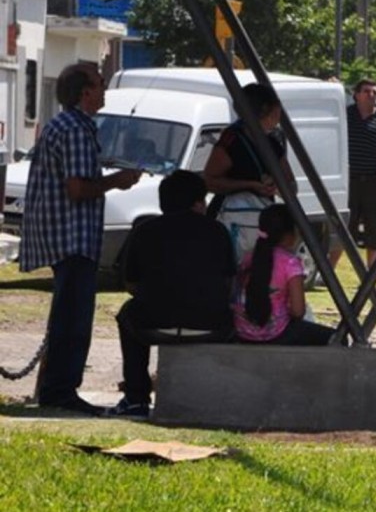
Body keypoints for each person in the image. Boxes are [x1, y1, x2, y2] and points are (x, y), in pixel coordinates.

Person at [19, 63, 142, 415]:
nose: (104, 89)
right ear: (85, 92)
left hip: (65, 233)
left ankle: (56, 387)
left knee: (68, 315)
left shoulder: (68, 125)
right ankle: (61, 390)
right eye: (100, 84)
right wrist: (116, 181)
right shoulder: (74, 129)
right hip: (71, 234)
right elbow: (77, 188)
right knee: (73, 319)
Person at [109, 170, 236, 418]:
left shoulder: (144, 230)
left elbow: (131, 285)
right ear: (199, 203)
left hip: (153, 324)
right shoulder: (217, 231)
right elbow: (229, 283)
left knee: (127, 313)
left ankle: (136, 398)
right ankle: (221, 393)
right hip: (212, 326)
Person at [203, 83, 294, 264]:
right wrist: (249, 185)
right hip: (230, 222)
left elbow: (291, 185)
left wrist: (276, 186)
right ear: (265, 110)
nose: (279, 115)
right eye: (276, 110)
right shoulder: (232, 139)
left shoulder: (274, 141)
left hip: (263, 222)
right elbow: (210, 180)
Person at [231, 203, 337, 345]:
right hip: (276, 334)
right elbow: (298, 311)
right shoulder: (290, 263)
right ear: (289, 233)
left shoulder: (247, 258)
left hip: (243, 332)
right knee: (336, 337)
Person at [346, 78, 376, 267]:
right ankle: (326, 273)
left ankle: (371, 276)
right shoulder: (345, 116)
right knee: (344, 227)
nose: (371, 95)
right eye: (366, 91)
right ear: (356, 95)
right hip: (349, 181)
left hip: (375, 182)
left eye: (375, 93)